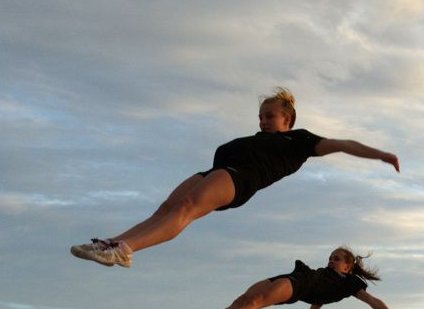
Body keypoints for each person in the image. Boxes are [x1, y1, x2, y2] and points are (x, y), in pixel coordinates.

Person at [70, 87, 400, 267]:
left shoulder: (298, 141)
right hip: (215, 172)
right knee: (163, 211)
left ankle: (125, 249)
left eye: (270, 116)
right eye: (260, 117)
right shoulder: (260, 138)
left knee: (185, 208)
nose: (263, 121)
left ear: (288, 118)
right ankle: (114, 243)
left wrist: (380, 154)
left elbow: (343, 144)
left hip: (240, 179)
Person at [183, 248, 409, 309]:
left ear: (348, 267)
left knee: (257, 302)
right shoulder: (327, 283)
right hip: (295, 277)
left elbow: (373, 302)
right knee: (243, 300)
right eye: (330, 256)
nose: (331, 260)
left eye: (337, 258)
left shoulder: (348, 283)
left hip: (298, 285)